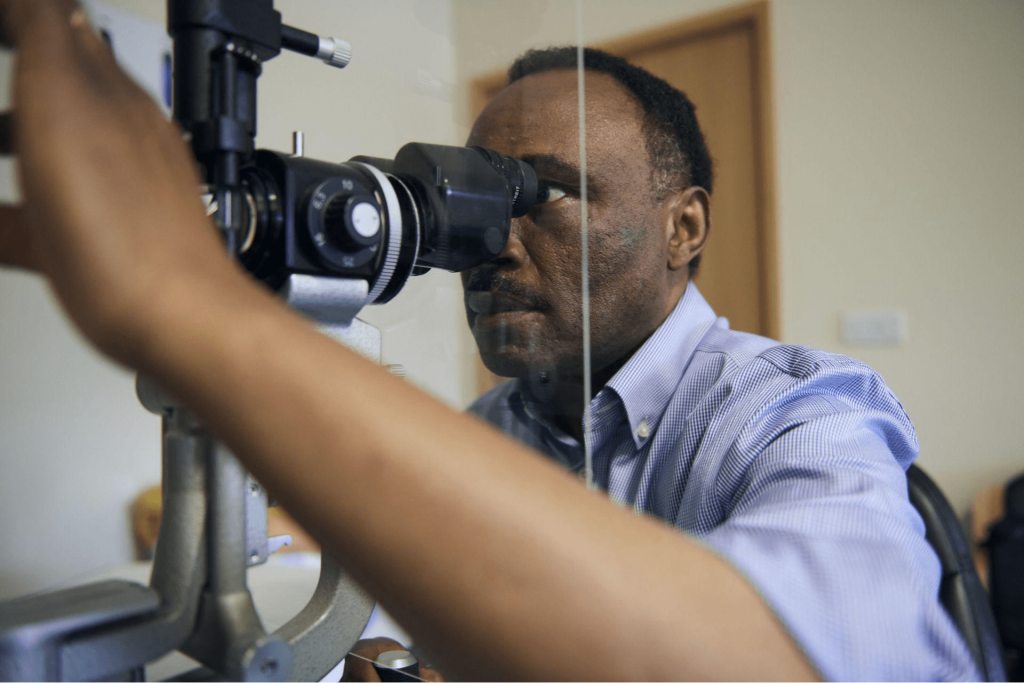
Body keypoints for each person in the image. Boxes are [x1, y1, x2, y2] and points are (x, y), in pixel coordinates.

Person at [0, 2, 977, 682]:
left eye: (545, 193)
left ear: (684, 227)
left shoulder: (799, 412)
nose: (491, 243)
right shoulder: (496, 428)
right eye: (470, 203)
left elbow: (792, 661)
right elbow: (384, 628)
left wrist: (184, 302)